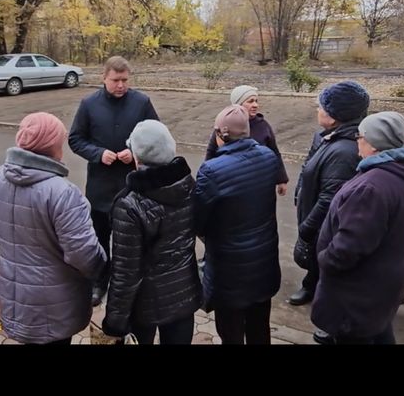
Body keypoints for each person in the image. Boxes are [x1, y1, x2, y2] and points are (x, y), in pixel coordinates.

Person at [0, 112, 106, 344]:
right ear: (51, 145)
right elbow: (84, 255)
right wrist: (102, 268)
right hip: (56, 303)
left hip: (16, 295)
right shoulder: (63, 192)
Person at [311, 112, 404, 344]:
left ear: (374, 144)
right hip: (381, 282)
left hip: (357, 291)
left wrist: (325, 259)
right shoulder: (401, 173)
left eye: (360, 135)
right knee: (378, 332)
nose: (357, 140)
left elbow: (349, 248)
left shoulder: (370, 188)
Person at [68, 55, 159, 306]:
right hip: (101, 187)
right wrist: (98, 154)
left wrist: (136, 151)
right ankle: (100, 281)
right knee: (99, 238)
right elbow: (75, 139)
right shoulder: (89, 104)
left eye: (125, 80)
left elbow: (155, 133)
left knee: (130, 241)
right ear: (104, 78)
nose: (121, 85)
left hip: (133, 187)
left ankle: (129, 284)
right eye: (116, 80)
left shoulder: (141, 102)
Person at [101, 120, 201, 345]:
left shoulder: (130, 205)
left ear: (137, 158)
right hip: (184, 293)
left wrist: (115, 322)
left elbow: (126, 271)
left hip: (145, 304)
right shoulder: (188, 185)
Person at [194, 105, 281, 344]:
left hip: (229, 270)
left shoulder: (212, 171)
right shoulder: (268, 157)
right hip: (264, 259)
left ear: (221, 135)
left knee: (231, 331)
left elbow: (198, 220)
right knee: (259, 327)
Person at [290, 81, 370, 342]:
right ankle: (309, 285)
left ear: (335, 115)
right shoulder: (324, 136)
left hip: (324, 221)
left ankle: (328, 314)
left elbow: (328, 198)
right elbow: (307, 165)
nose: (317, 109)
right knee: (316, 258)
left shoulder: (345, 150)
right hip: (311, 209)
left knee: (328, 261)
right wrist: (299, 189)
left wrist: (306, 227)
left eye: (321, 106)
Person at [204, 85, 289, 195]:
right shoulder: (225, 125)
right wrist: (207, 179)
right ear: (238, 104)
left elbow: (275, 152)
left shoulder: (263, 125)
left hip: (260, 184)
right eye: (250, 101)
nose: (255, 105)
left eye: (256, 101)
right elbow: (211, 152)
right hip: (231, 184)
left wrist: (281, 179)